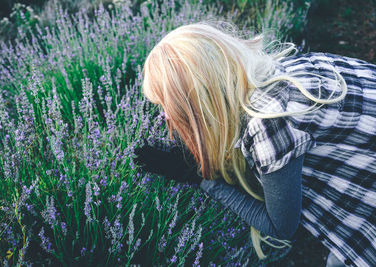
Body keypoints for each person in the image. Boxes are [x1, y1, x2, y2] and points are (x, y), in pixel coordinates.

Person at [134, 21, 376, 267]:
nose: (164, 115)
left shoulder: (269, 123)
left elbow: (280, 226)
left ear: (199, 100)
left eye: (167, 104)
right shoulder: (282, 70)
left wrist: (201, 180)